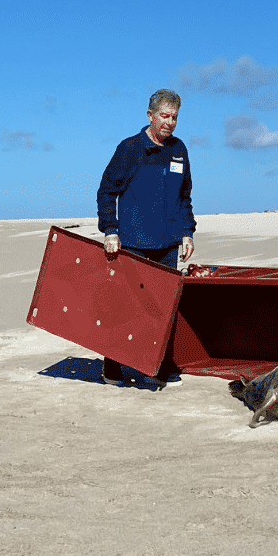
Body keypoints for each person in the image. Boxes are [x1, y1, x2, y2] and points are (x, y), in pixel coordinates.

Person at [95, 88, 195, 385]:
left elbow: (184, 197)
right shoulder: (130, 149)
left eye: (174, 117)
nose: (170, 122)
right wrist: (110, 230)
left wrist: (187, 233)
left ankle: (158, 366)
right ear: (150, 116)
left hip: (167, 244)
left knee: (161, 308)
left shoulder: (178, 150)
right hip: (133, 242)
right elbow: (106, 191)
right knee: (125, 305)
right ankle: (113, 365)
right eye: (164, 116)